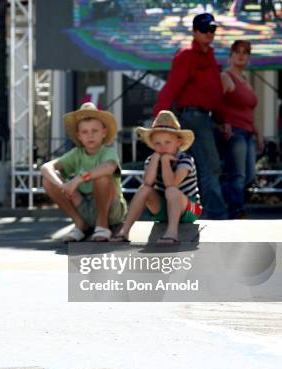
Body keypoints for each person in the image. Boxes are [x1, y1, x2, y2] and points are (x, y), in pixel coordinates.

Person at [154, 12, 227, 220]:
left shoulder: (210, 57)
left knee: (205, 167)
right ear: (194, 32)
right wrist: (160, 118)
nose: (209, 33)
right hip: (193, 117)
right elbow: (171, 88)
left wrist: (223, 121)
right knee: (209, 166)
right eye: (204, 29)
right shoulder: (186, 55)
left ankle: (202, 213)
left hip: (207, 118)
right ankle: (216, 215)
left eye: (212, 29)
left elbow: (215, 95)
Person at [41, 102, 127, 242]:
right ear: (79, 136)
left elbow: (111, 167)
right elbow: (46, 167)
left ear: (103, 133)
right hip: (83, 205)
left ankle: (102, 225)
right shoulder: (76, 153)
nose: (90, 136)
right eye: (85, 132)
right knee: (48, 180)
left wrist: (78, 179)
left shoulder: (108, 152)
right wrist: (62, 186)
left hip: (111, 209)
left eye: (94, 131)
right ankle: (80, 223)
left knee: (102, 177)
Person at [113, 111, 202, 244]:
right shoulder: (151, 160)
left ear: (178, 142)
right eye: (158, 144)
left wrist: (165, 162)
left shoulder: (186, 160)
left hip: (190, 209)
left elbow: (171, 184)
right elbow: (147, 182)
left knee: (171, 190)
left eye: (167, 142)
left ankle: (172, 233)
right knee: (144, 189)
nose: (163, 147)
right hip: (165, 209)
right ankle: (124, 231)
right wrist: (155, 160)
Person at [219, 40, 262, 219]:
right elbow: (217, 103)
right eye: (237, 51)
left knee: (249, 175)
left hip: (248, 132)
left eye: (246, 52)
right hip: (234, 132)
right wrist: (224, 122)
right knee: (237, 175)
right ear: (231, 56)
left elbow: (249, 111)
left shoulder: (245, 80)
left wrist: (258, 133)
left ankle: (218, 198)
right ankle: (236, 212)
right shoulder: (225, 77)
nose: (241, 55)